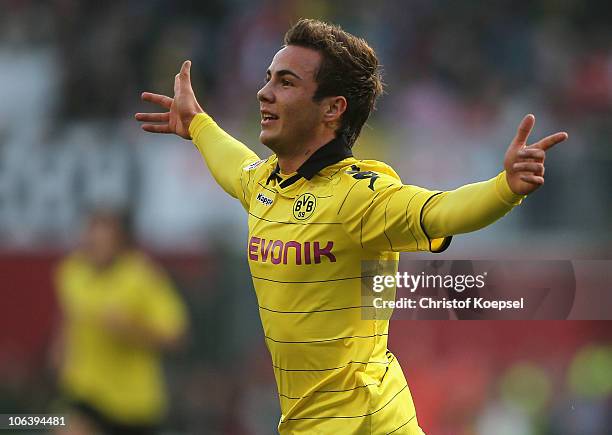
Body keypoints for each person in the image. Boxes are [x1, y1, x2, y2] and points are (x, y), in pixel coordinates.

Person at [135, 18, 567, 435]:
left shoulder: (360, 195)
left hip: (366, 423)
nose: (263, 93)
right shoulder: (266, 184)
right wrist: (198, 125)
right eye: (268, 79)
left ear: (333, 109)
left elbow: (444, 210)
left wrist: (505, 187)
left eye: (285, 83)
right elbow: (234, 164)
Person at [52, 208, 188, 435]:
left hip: (135, 405)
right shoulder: (72, 271)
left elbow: (177, 336)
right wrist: (60, 345)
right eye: (90, 237)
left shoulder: (143, 277)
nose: (93, 244)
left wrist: (132, 330)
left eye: (102, 239)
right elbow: (70, 313)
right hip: (85, 392)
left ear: (120, 242)